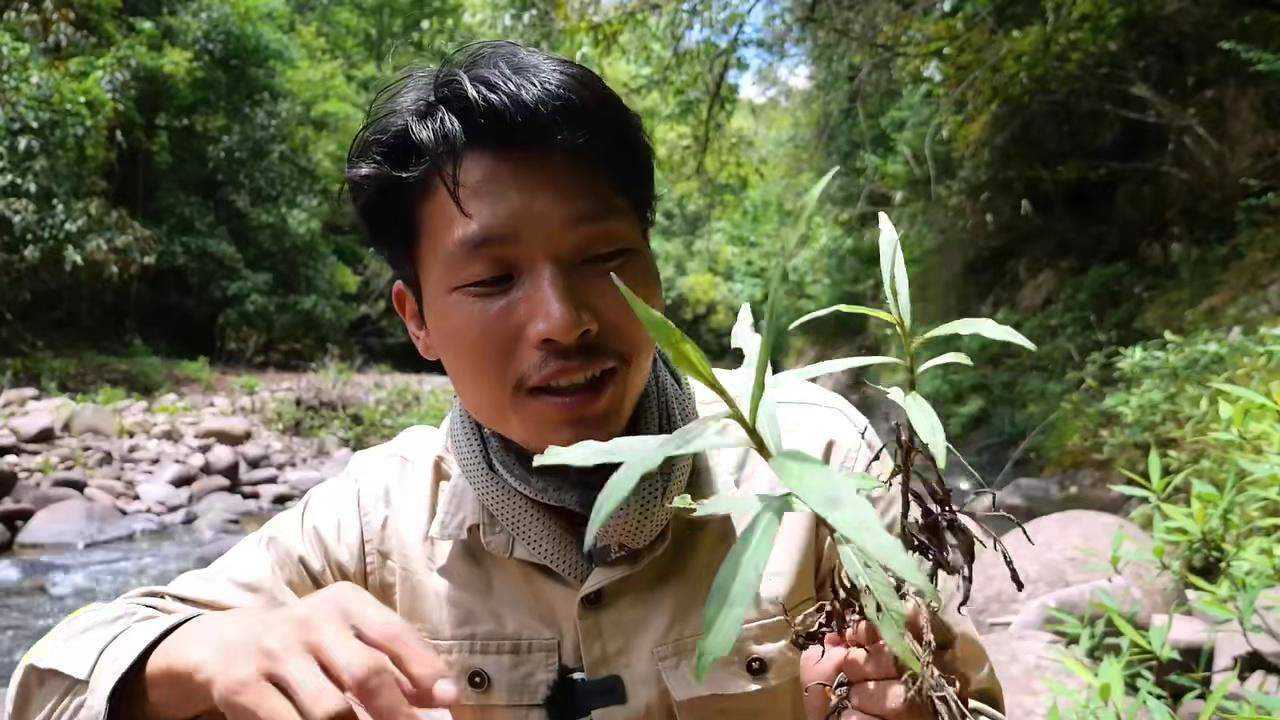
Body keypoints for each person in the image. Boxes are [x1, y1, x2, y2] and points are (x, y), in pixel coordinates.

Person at [5, 41, 1003, 720]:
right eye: (490, 280)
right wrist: (194, 661)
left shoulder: (815, 462)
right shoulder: (365, 525)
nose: (563, 322)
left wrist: (920, 697)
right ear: (419, 321)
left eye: (604, 259)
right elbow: (49, 687)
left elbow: (964, 690)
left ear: (654, 268)